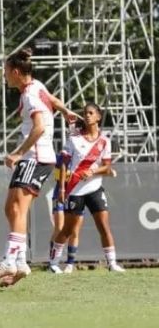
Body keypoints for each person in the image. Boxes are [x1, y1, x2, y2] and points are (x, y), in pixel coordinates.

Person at [0, 47, 75, 286]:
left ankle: (9, 260)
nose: (4, 76)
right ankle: (20, 260)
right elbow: (52, 100)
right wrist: (65, 111)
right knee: (10, 208)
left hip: (34, 157)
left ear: (14, 71)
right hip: (37, 159)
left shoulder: (29, 95)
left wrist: (17, 153)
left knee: (17, 208)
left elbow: (39, 128)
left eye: (5, 71)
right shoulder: (36, 86)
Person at [48, 103, 125, 273]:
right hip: (75, 191)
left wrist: (93, 171)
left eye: (91, 113)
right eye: (85, 113)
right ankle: (53, 263)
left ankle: (112, 264)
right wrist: (62, 189)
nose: (87, 115)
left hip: (96, 189)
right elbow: (63, 166)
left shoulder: (105, 141)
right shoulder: (74, 139)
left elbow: (107, 167)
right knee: (68, 230)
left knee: (104, 227)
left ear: (98, 117)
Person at [48, 153, 81, 273]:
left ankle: (70, 264)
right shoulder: (61, 156)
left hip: (76, 196)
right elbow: (57, 175)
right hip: (59, 196)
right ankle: (52, 263)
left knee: (74, 230)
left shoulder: (84, 156)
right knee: (60, 228)